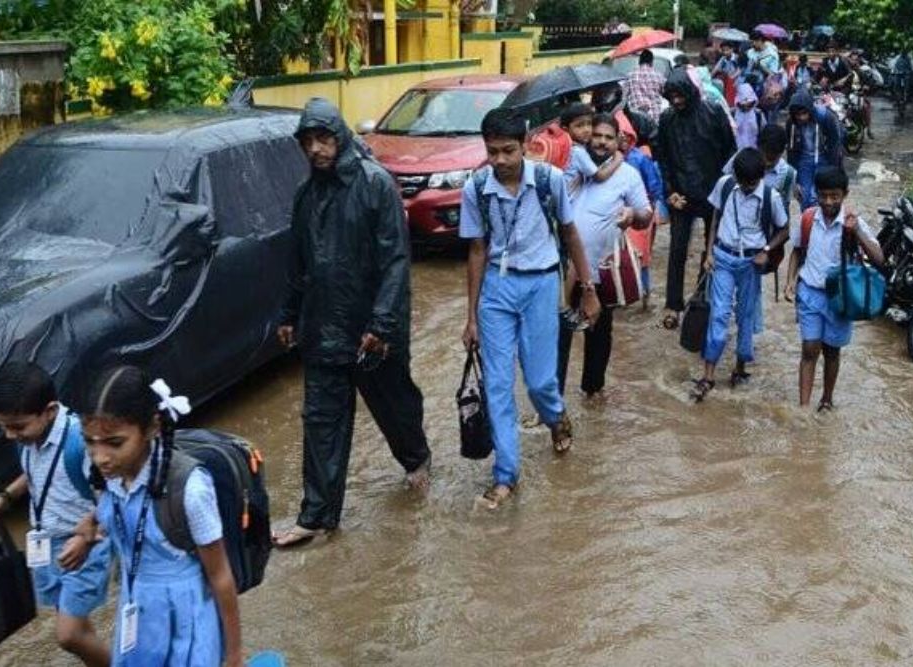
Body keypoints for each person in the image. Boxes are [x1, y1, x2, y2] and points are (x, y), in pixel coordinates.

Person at [274, 98, 432, 547]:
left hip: (371, 330)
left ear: (340, 137)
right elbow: (298, 262)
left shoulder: (375, 185)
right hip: (323, 328)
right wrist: (288, 313)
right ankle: (318, 516)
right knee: (322, 420)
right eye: (308, 142)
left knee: (393, 405)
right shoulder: (306, 195)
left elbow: (396, 261)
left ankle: (416, 458)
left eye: (324, 139)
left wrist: (382, 324)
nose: (316, 150)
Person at [460, 107, 601, 510]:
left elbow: (570, 233)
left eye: (508, 150)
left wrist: (588, 289)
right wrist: (470, 315)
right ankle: (506, 475)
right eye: (492, 151)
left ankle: (556, 418)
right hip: (496, 292)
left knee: (540, 382)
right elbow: (475, 249)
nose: (500, 160)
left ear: (525, 145)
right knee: (499, 387)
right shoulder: (476, 188)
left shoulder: (548, 180)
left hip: (541, 283)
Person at [80, 366, 242, 667]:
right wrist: (88, 529)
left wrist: (234, 655)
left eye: (114, 443)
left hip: (187, 615)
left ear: (153, 427)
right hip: (136, 607)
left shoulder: (190, 490)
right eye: (89, 442)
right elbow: (116, 515)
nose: (99, 456)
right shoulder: (105, 476)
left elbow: (220, 576)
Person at [0, 361, 111, 667]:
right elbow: (35, 473)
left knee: (68, 635)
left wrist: (85, 538)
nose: (10, 435)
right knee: (77, 626)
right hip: (48, 542)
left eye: (18, 427)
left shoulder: (81, 442)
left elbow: (113, 495)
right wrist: (5, 496)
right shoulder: (29, 439)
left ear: (49, 411)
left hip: (84, 544)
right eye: (3, 427)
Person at [557, 114, 652, 397]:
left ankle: (592, 392)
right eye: (597, 135)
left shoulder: (629, 175)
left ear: (618, 141)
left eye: (608, 137)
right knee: (556, 336)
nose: (600, 141)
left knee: (598, 336)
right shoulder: (573, 165)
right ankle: (552, 402)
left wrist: (632, 214)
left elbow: (646, 216)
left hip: (601, 271)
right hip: (563, 268)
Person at [783, 167, 885, 411]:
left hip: (840, 299)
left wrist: (856, 231)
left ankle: (827, 399)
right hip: (809, 291)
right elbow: (797, 250)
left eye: (835, 196)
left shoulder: (854, 223)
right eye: (824, 195)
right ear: (817, 194)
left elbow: (879, 258)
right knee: (809, 349)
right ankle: (804, 407)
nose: (829, 201)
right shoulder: (808, 218)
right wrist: (789, 282)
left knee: (831, 351)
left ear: (845, 194)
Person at [692, 148, 789, 401]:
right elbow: (714, 218)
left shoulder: (771, 196)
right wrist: (709, 252)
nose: (747, 187)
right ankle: (708, 374)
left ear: (761, 177)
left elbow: (785, 229)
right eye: (743, 181)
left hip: (750, 263)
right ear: (735, 175)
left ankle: (740, 368)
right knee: (719, 315)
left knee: (746, 315)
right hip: (723, 257)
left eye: (752, 182)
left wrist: (766, 250)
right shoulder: (725, 185)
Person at [654, 69, 737, 331]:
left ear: (690, 92)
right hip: (681, 195)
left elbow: (730, 152)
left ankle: (703, 297)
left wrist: (723, 190)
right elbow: (663, 159)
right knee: (677, 250)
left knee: (712, 250)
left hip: (712, 193)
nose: (676, 101)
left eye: (680, 95)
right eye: (672, 96)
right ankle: (673, 304)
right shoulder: (667, 119)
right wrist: (669, 192)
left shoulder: (713, 113)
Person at [723, 123, 797, 334]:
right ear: (758, 146)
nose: (765, 162)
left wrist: (769, 248)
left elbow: (783, 215)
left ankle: (746, 335)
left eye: (772, 158)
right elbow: (724, 189)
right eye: (764, 154)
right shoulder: (741, 160)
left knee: (751, 290)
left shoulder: (788, 174)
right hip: (731, 236)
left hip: (763, 242)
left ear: (782, 152)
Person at [618, 112, 668, 306]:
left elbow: (654, 187)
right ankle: (626, 293)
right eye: (618, 135)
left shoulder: (640, 159)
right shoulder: (611, 161)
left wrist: (650, 210)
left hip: (640, 214)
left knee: (641, 256)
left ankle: (644, 294)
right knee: (622, 257)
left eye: (625, 135)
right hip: (620, 214)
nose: (622, 139)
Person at [786, 87, 842, 209]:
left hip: (823, 159)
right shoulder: (791, 124)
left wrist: (833, 169)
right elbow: (791, 150)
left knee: (817, 196)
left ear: (810, 111)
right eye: (798, 115)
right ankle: (807, 224)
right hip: (804, 161)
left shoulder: (825, 117)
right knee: (804, 197)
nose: (801, 117)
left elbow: (835, 143)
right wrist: (794, 180)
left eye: (804, 113)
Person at [561, 102, 623, 194]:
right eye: (579, 126)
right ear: (566, 130)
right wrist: (618, 159)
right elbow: (600, 177)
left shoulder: (569, 146)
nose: (586, 130)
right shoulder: (578, 152)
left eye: (589, 124)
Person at [623, 49, 668, 124]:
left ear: (639, 61)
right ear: (651, 62)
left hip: (637, 120)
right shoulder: (658, 76)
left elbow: (623, 97)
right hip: (655, 118)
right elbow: (666, 93)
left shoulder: (630, 76)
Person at [733, 82, 764, 150]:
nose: (746, 107)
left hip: (754, 152)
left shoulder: (758, 115)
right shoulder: (732, 114)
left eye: (749, 104)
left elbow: (763, 134)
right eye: (743, 105)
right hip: (736, 153)